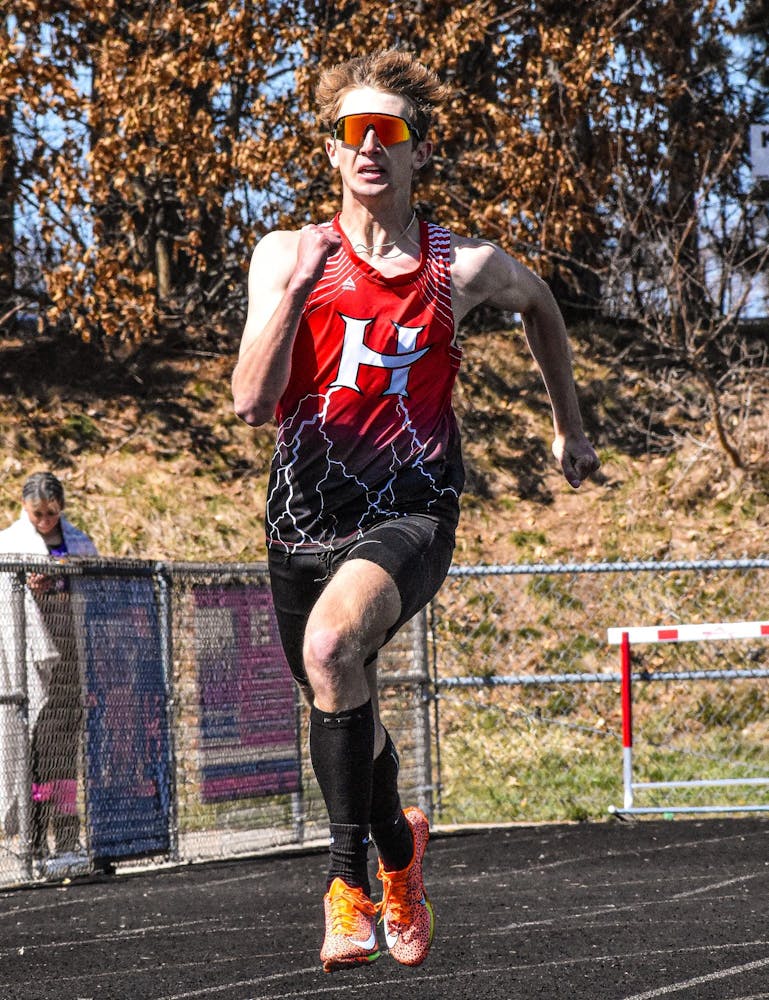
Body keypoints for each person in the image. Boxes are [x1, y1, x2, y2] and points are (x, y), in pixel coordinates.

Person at [231, 50, 600, 973]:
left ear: (416, 150)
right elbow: (248, 401)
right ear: (331, 150)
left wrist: (568, 427)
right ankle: (402, 854)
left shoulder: (461, 265)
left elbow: (541, 306)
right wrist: (297, 291)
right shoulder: (283, 254)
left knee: (329, 649)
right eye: (352, 131)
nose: (369, 145)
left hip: (412, 509)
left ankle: (346, 885)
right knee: (339, 691)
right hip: (299, 519)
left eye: (387, 130)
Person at [0, 472, 98, 865]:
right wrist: (26, 586)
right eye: (37, 514)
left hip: (70, 659)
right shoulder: (11, 543)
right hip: (30, 661)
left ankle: (68, 840)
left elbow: (96, 590)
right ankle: (35, 842)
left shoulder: (78, 542)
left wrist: (66, 578)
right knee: (34, 757)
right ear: (24, 508)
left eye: (52, 514)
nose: (44, 521)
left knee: (64, 757)